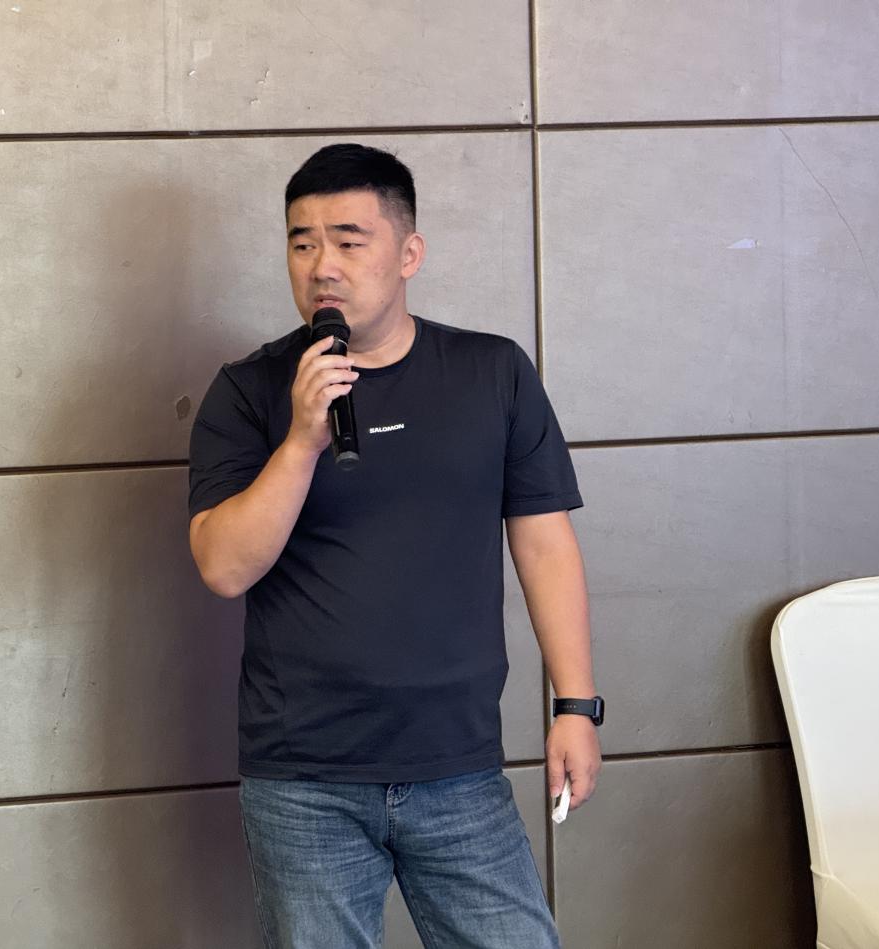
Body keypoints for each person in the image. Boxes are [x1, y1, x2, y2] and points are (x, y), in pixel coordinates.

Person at [187, 142, 601, 949]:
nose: (322, 265)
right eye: (302, 242)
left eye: (349, 240)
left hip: (458, 762)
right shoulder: (249, 391)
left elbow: (545, 545)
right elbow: (224, 565)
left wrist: (576, 707)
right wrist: (301, 441)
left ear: (409, 253)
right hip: (304, 776)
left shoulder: (492, 373)